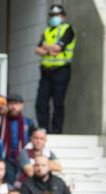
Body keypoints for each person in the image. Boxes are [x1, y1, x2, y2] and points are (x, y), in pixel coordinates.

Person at [34, 5, 76, 134]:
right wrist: (49, 49)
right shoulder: (47, 30)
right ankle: (43, 129)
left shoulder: (67, 29)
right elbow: (37, 50)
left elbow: (57, 49)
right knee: (41, 102)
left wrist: (46, 47)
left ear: (63, 16)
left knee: (58, 103)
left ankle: (56, 131)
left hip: (61, 70)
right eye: (52, 15)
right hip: (46, 71)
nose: (54, 18)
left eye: (57, 15)